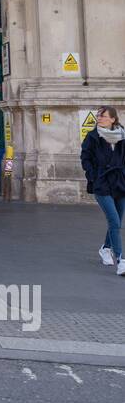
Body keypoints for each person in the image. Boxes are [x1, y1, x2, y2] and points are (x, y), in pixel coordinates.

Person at [80, 106, 125, 276]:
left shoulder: (122, 135)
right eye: (98, 116)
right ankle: (121, 261)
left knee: (117, 222)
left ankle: (106, 248)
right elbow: (85, 158)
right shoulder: (92, 137)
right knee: (114, 220)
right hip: (102, 183)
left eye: (103, 116)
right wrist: (93, 177)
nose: (99, 118)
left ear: (113, 119)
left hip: (120, 183)